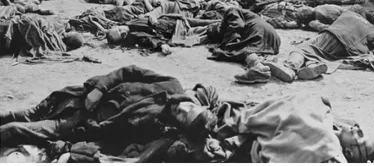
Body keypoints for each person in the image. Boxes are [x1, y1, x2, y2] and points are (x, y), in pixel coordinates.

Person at [0, 65, 217, 149]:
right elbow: (128, 71)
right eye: (189, 108)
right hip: (76, 97)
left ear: (180, 125)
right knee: (18, 114)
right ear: (195, 103)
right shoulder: (172, 84)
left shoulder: (155, 129)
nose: (182, 110)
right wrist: (100, 89)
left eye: (183, 117)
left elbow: (111, 139)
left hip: (75, 123)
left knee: (13, 130)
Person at [203, 93, 374, 163]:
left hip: (250, 138)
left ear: (349, 153)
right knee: (208, 97)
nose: (356, 128)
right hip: (255, 117)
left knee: (198, 113)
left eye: (360, 135)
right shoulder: (327, 118)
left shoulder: (329, 146)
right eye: (359, 127)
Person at [265, 10, 374, 83]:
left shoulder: (348, 14)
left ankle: (291, 67)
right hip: (350, 50)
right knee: (322, 54)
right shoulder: (371, 28)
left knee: (304, 48)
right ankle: (312, 65)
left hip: (333, 35)